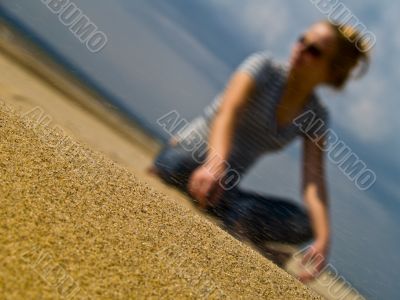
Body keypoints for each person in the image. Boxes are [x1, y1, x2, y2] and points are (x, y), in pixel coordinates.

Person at [148, 20, 370, 282]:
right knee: (183, 165)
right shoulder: (263, 68)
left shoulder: (316, 116)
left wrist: (323, 238)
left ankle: (238, 222)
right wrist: (214, 163)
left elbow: (313, 181)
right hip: (190, 159)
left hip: (226, 187)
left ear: (332, 73)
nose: (301, 49)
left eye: (314, 51)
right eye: (302, 40)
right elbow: (228, 113)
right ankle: (242, 227)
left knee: (303, 223)